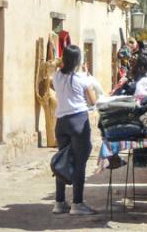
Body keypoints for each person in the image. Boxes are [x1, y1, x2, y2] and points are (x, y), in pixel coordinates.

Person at [52, 45, 98, 215]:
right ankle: (77, 203)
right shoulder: (81, 79)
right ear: (78, 60)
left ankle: (59, 202)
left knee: (62, 160)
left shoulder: (56, 76)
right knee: (80, 162)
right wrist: (89, 78)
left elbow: (60, 70)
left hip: (61, 122)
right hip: (78, 120)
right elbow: (92, 101)